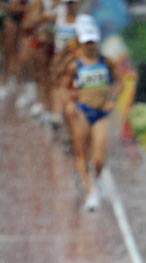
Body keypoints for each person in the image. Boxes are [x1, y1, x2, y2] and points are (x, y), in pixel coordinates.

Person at [62, 17, 121, 210]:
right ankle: (91, 193)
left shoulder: (107, 62)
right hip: (82, 112)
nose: (90, 47)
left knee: (98, 158)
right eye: (86, 43)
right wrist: (70, 103)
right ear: (81, 43)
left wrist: (112, 100)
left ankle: (95, 178)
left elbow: (119, 82)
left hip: (101, 113)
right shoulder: (74, 65)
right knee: (81, 153)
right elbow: (64, 87)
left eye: (92, 43)